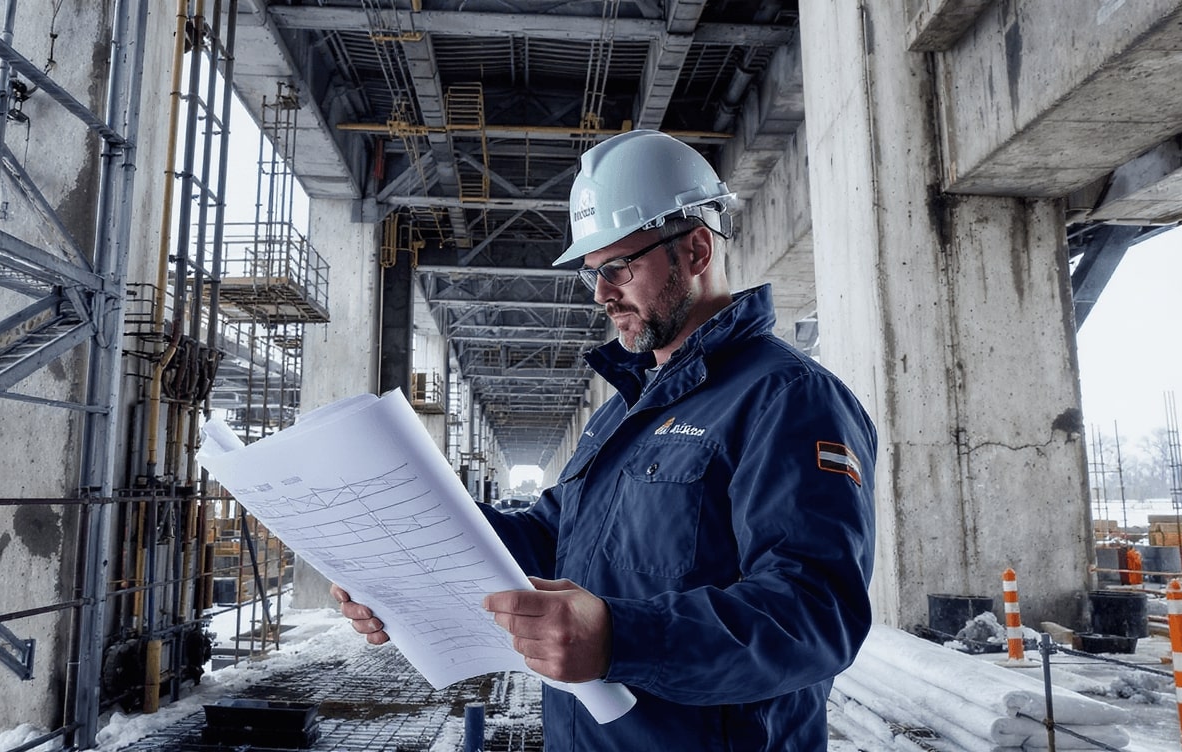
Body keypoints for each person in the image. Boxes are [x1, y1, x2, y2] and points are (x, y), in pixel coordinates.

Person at [333, 129, 877, 750]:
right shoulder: (623, 413)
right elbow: (547, 538)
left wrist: (621, 638)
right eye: (594, 272)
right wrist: (400, 553)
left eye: (619, 267)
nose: (601, 294)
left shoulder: (787, 399)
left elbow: (814, 615)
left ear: (696, 250)